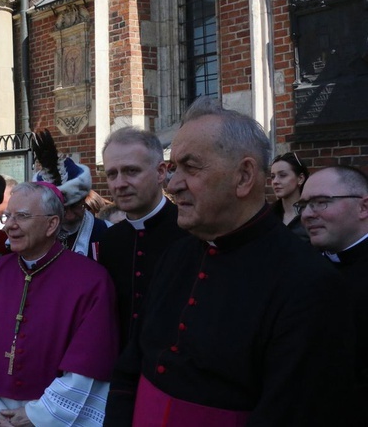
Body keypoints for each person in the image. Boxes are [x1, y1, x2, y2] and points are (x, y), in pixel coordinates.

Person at [113, 99, 356, 425]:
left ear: (243, 176)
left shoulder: (308, 282)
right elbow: (133, 363)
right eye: (173, 169)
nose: (172, 184)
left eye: (190, 167)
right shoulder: (177, 256)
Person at [0, 182, 118, 426]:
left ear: (52, 224)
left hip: (55, 417)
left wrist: (39, 414)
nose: (9, 225)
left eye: (22, 216)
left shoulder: (91, 280)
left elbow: (89, 362)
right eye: (9, 216)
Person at [98, 127, 190, 421]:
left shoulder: (189, 233)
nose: (120, 183)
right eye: (112, 174)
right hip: (117, 381)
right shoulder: (110, 241)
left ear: (161, 172)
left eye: (131, 171)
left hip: (174, 383)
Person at [300, 165, 368, 423]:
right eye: (304, 205)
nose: (307, 214)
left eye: (320, 203)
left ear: (363, 207)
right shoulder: (301, 265)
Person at [33, 129, 108, 259]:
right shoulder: (35, 237)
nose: (70, 216)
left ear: (84, 199)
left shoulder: (106, 232)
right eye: (62, 209)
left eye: (75, 206)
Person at [270, 152, 310, 241]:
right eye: (273, 177)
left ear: (300, 179)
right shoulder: (269, 215)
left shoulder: (312, 214)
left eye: (282, 175)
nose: (275, 181)